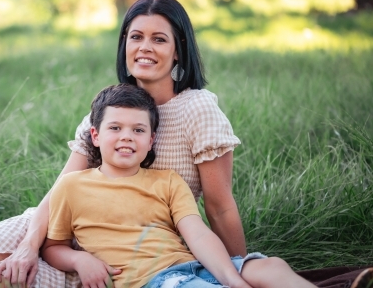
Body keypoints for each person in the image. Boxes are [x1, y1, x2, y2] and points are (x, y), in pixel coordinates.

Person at [0, 0, 372, 288]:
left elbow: (220, 205)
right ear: (124, 45)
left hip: (143, 237)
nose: (144, 47)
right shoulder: (108, 106)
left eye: (159, 38)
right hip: (69, 218)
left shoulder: (197, 109)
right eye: (135, 36)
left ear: (178, 51)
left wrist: (232, 268)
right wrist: (31, 245)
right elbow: (61, 187)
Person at [41, 83, 318, 288]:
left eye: (138, 130)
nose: (127, 137)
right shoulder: (72, 186)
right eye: (115, 128)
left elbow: (197, 235)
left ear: (151, 141)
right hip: (150, 282)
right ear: (95, 135)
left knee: (270, 267)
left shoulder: (167, 181)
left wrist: (233, 280)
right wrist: (80, 261)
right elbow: (53, 246)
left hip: (191, 268)